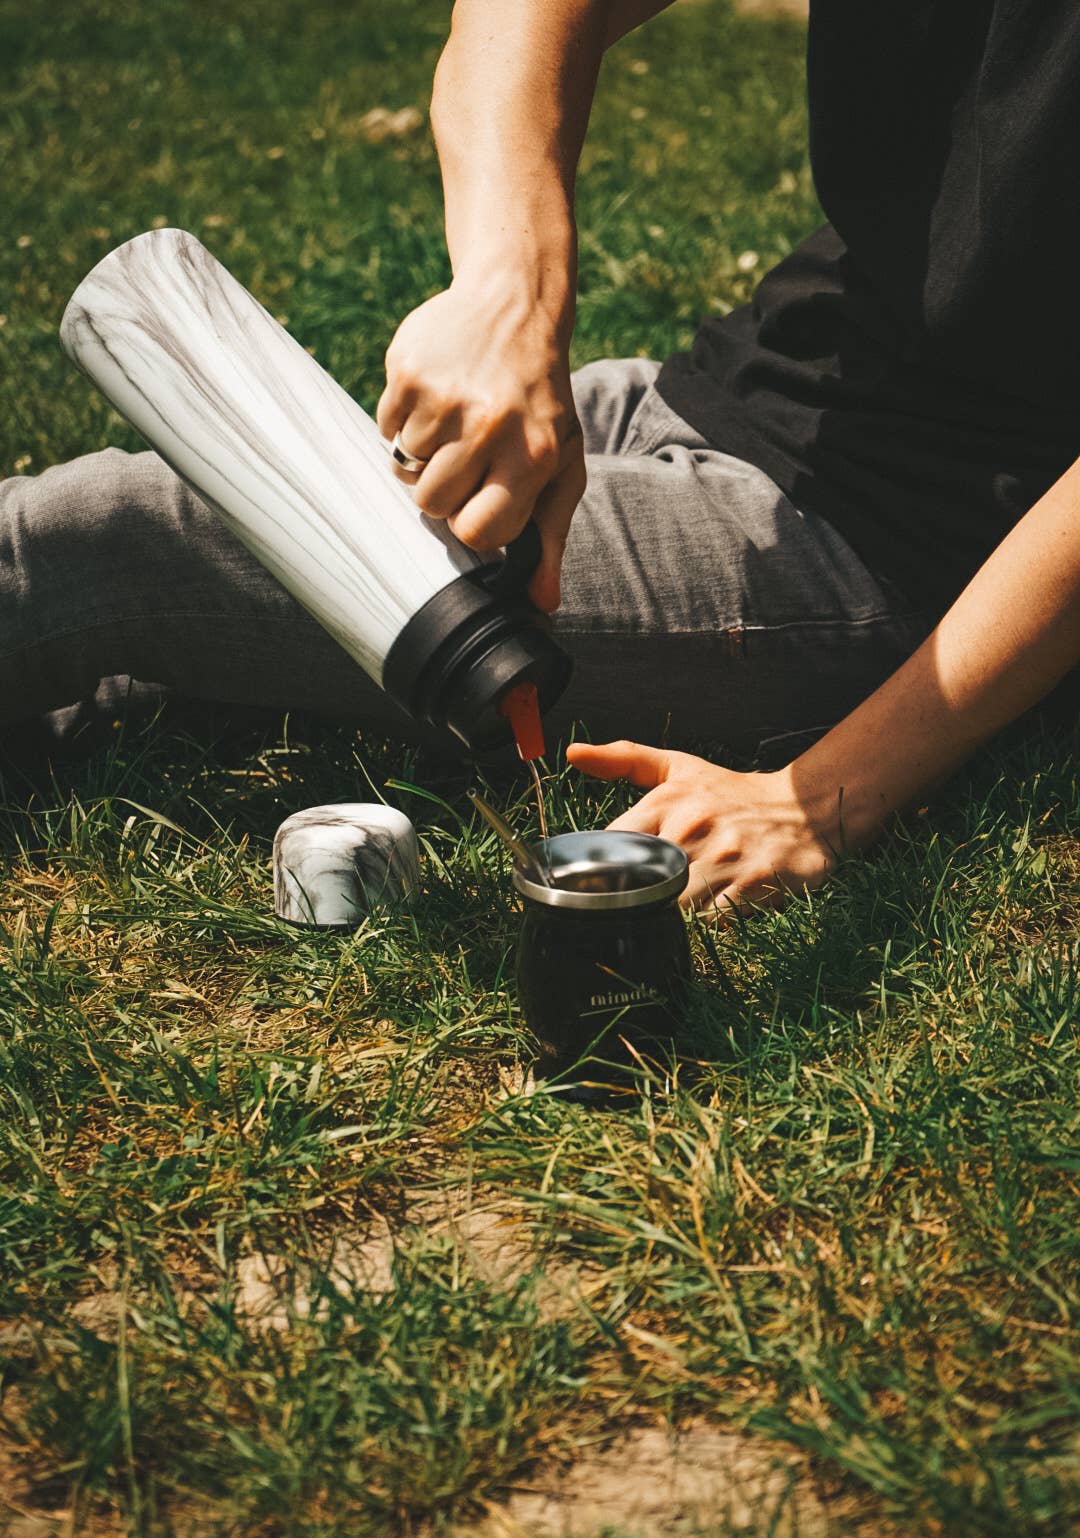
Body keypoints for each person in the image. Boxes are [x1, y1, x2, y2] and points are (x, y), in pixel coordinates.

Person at [3, 1, 1079, 912]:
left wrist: (821, 795)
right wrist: (512, 290)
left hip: (916, 538)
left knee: (116, 533)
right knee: (238, 533)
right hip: (739, 387)